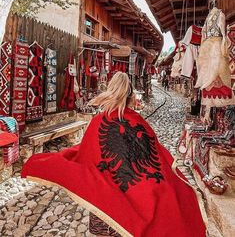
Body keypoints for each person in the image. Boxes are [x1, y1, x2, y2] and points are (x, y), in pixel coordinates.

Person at [22, 72, 206, 237]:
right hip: (138, 199)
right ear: (131, 97)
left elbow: (88, 156)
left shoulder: (97, 122)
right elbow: (157, 155)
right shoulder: (139, 122)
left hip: (106, 209)